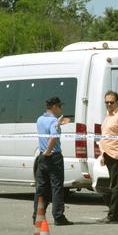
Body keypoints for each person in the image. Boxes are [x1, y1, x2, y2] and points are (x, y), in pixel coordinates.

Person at [34, 96, 73, 226]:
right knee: (56, 187)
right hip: (53, 156)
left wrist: (44, 152)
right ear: (54, 107)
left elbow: (47, 132)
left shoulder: (40, 119)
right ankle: (58, 216)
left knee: (41, 188)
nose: (61, 109)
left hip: (42, 157)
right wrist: (49, 150)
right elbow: (54, 137)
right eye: (60, 106)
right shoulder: (53, 122)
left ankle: (37, 215)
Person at [98, 91, 118, 223]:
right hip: (108, 155)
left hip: (117, 155)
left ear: (117, 102)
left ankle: (113, 215)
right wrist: (103, 154)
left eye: (111, 102)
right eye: (107, 102)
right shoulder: (108, 116)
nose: (109, 104)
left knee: (116, 187)